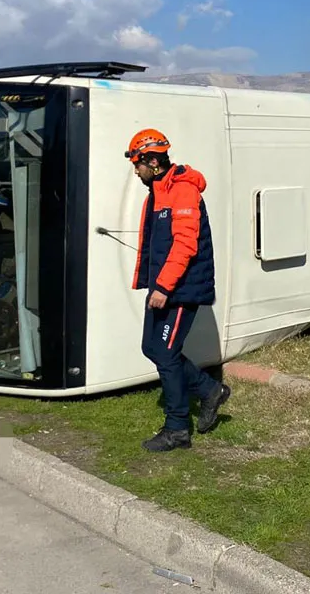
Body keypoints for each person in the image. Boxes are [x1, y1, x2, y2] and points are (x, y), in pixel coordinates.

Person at [125, 128, 229, 452]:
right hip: (164, 286)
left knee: (166, 355)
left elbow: (185, 244)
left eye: (137, 164)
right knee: (152, 348)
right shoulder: (157, 193)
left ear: (153, 161)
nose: (135, 171)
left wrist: (163, 287)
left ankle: (177, 429)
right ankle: (209, 390)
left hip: (181, 289)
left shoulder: (183, 190)